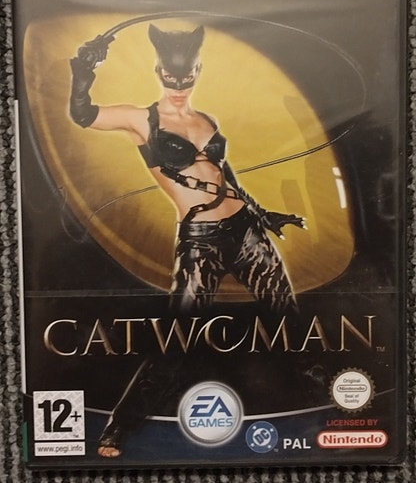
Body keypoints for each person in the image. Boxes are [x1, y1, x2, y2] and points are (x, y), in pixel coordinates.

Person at [69, 23, 305, 457]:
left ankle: (326, 390)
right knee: (178, 337)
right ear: (159, 73)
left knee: (287, 314)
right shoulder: (141, 120)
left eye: (187, 79)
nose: (179, 89)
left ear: (197, 73)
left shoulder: (206, 121)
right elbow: (83, 114)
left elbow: (224, 177)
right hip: (201, 242)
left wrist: (262, 213)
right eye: (171, 79)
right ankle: (119, 426)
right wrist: (82, 71)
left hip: (245, 230)